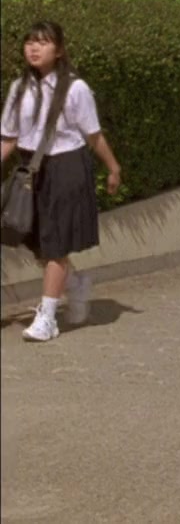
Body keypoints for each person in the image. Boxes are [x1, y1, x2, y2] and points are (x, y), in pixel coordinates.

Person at [1, 21, 122, 343]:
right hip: (31, 171)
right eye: (30, 42)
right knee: (37, 243)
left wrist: (113, 168)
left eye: (43, 42)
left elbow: (93, 135)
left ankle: (47, 318)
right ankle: (76, 284)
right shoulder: (19, 88)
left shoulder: (75, 88)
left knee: (55, 243)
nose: (34, 48)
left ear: (59, 50)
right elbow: (8, 138)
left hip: (67, 166)